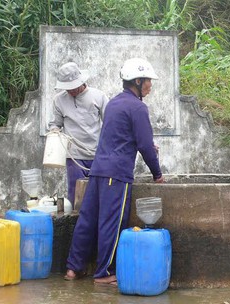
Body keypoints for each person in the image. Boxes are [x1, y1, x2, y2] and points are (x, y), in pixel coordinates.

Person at [64, 58, 165, 285]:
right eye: (148, 81)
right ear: (137, 81)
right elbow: (145, 146)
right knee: (111, 222)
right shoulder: (138, 107)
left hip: (98, 170)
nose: (150, 85)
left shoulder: (114, 103)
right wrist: (157, 174)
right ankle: (103, 272)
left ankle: (73, 268)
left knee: (87, 220)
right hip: (116, 174)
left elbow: (120, 137)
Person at [48, 62, 109, 205]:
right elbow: (55, 124)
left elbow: (109, 123)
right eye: (67, 88)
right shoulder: (59, 100)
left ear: (81, 81)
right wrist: (54, 131)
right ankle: (76, 225)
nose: (71, 91)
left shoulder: (98, 96)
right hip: (74, 156)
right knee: (76, 196)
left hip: (97, 154)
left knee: (99, 195)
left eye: (73, 87)